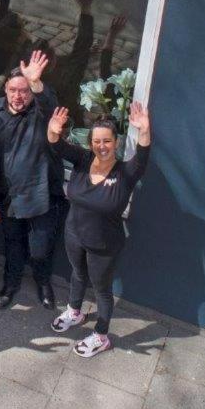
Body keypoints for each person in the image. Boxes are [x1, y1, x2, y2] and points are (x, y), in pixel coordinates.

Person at [46, 103, 151, 357]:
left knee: (102, 290)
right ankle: (75, 311)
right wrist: (52, 129)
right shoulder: (82, 160)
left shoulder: (125, 172)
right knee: (77, 274)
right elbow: (56, 146)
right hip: (74, 234)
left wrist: (145, 130)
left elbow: (143, 156)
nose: (101, 146)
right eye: (96, 141)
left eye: (106, 141)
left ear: (116, 142)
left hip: (104, 245)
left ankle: (102, 336)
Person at [0, 49, 61, 310]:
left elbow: (52, 107)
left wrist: (36, 83)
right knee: (12, 242)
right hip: (8, 194)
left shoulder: (41, 113)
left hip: (40, 193)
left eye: (24, 91)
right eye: (13, 90)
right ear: (5, 89)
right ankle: (11, 283)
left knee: (40, 247)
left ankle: (43, 282)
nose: (18, 96)